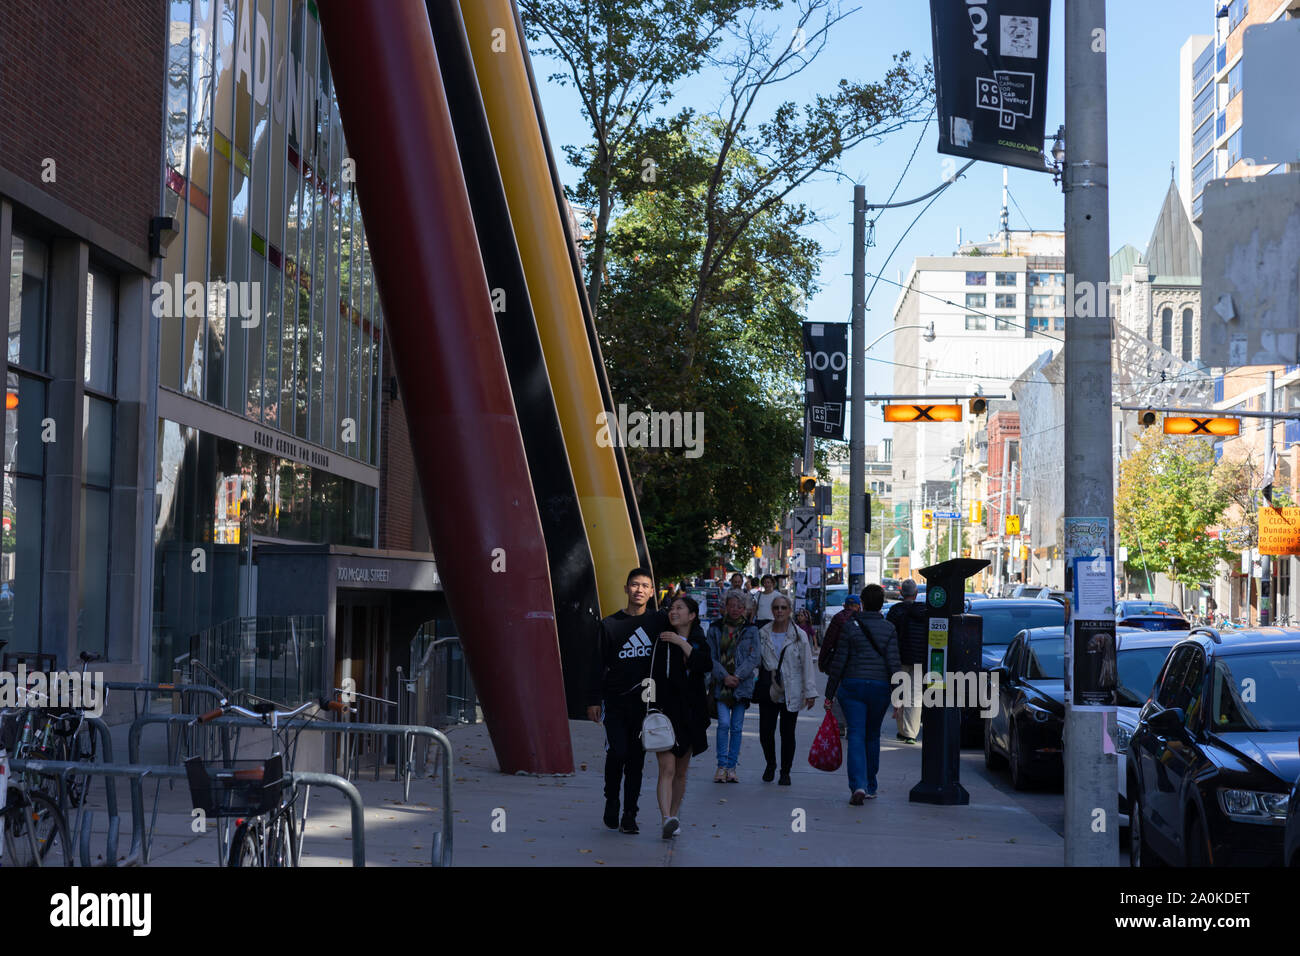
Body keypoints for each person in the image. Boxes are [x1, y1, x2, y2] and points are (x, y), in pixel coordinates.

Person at [587, 567, 668, 834]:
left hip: (646, 702)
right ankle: (612, 798)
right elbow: (596, 664)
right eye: (635, 584)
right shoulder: (609, 625)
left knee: (636, 760)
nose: (640, 590)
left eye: (645, 585)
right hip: (615, 701)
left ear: (652, 592)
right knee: (617, 752)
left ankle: (630, 814)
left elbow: (685, 628)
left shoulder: (658, 622)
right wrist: (593, 699)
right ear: (626, 588)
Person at [823, 584, 901, 804]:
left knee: (856, 734)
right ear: (882, 604)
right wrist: (898, 696)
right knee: (872, 735)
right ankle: (870, 784)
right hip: (879, 688)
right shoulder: (889, 629)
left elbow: (839, 662)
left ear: (862, 603)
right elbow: (894, 664)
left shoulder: (850, 626)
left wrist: (829, 694)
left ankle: (857, 785)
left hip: (853, 686)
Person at [649, 594, 712, 838]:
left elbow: (703, 664)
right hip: (665, 712)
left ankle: (674, 815)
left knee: (681, 771)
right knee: (667, 768)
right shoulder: (662, 640)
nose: (673, 612)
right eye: (671, 608)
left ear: (692, 615)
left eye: (679, 608)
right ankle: (665, 817)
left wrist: (680, 641)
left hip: (691, 714)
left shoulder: (698, 640)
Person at [756, 596, 818, 785]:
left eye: (783, 607)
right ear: (772, 610)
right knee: (766, 731)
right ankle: (771, 763)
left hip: (792, 689)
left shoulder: (799, 635)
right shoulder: (763, 633)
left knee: (787, 733)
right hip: (769, 689)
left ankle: (785, 771)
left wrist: (810, 692)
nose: (779, 611)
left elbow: (807, 664)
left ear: (790, 609)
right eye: (776, 608)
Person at [704, 593, 760, 782]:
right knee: (723, 724)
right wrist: (725, 676)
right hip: (721, 685)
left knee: (736, 727)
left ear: (745, 609)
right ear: (725, 607)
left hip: (741, 685)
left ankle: (731, 767)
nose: (735, 609)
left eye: (739, 606)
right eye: (732, 605)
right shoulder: (715, 628)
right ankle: (721, 766)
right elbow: (710, 657)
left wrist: (737, 676)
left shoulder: (751, 630)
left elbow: (755, 657)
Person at [885, 579, 928, 744]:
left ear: (901, 594)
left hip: (899, 658)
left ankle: (902, 730)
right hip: (919, 659)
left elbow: (888, 635)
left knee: (899, 693)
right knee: (915, 696)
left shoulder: (895, 611)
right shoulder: (924, 611)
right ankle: (910, 733)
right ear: (916, 594)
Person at [818, 593, 861, 736]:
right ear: (858, 606)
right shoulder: (861, 619)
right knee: (854, 695)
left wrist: (822, 661)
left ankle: (840, 725)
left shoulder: (838, 618)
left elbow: (828, 641)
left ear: (845, 605)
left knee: (837, 693)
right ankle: (852, 725)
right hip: (856, 664)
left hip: (838, 661)